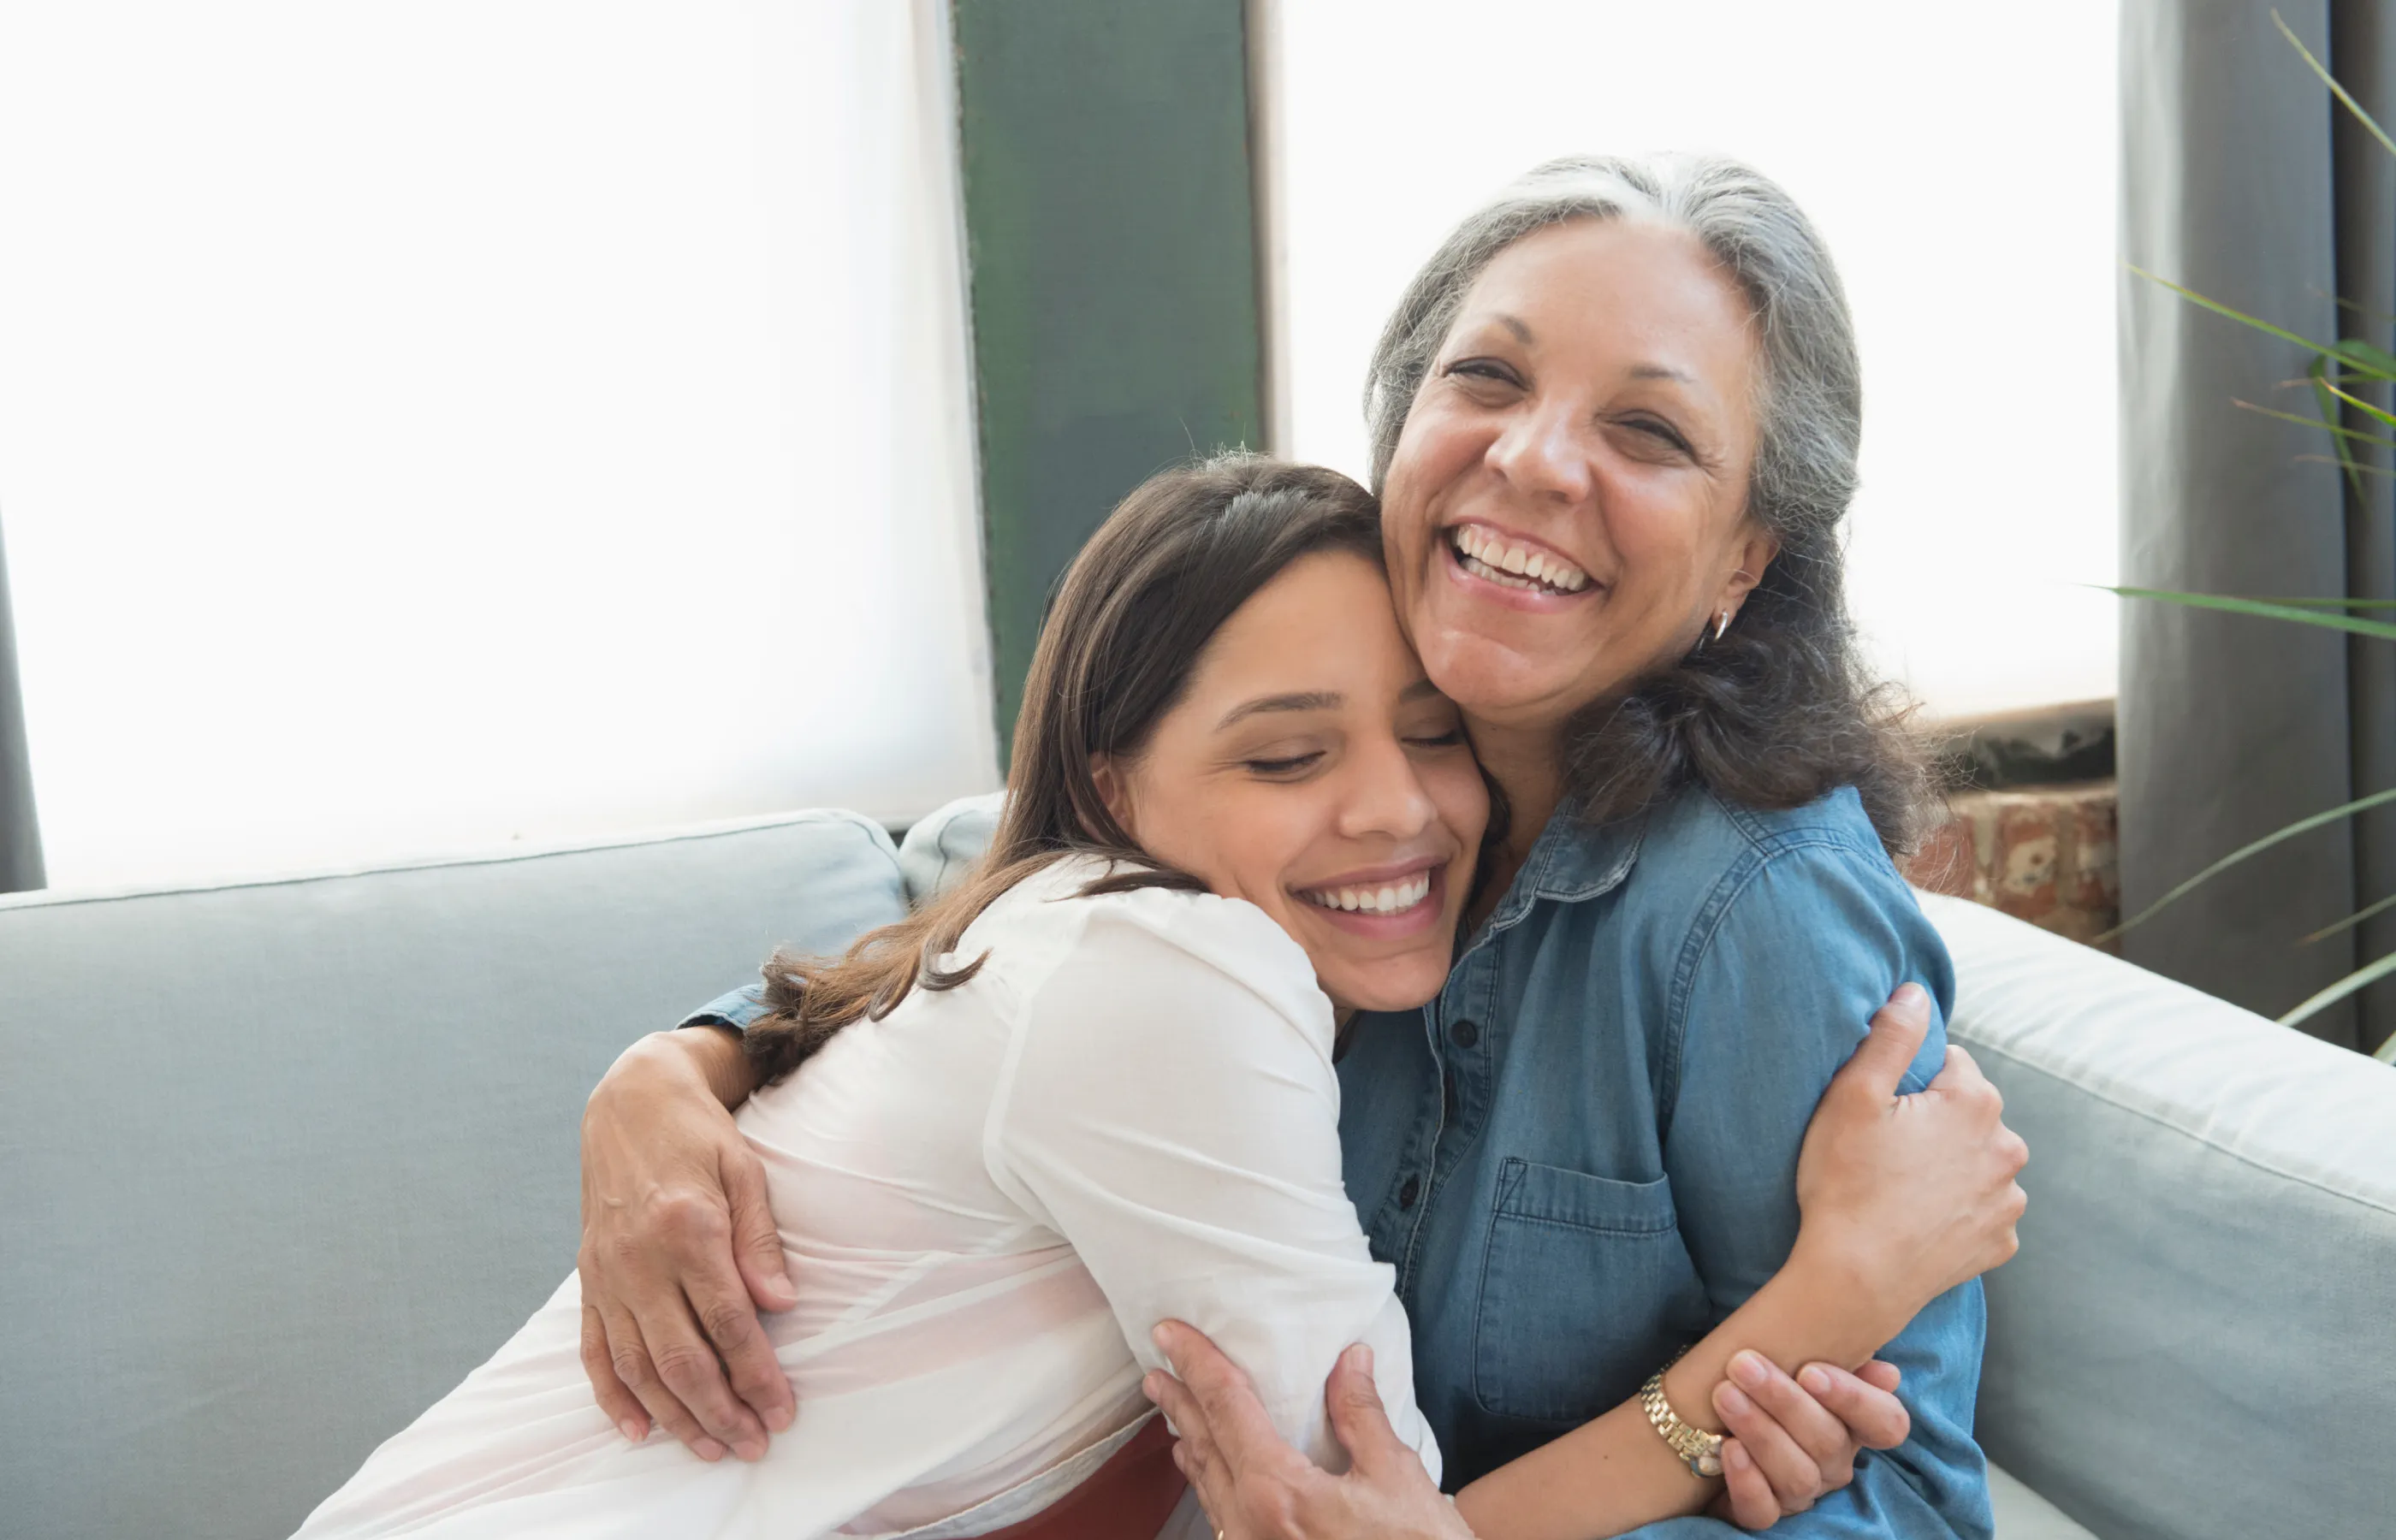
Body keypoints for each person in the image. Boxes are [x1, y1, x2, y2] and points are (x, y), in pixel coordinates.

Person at [577, 154, 2028, 1539]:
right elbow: (1010, 913)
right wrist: (673, 1072)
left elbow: (1906, 1506)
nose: (1532, 458)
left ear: (1746, 558)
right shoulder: (1340, 740)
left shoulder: (1754, 909)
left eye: (1647, 431)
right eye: (1488, 377)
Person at [293, 458, 2012, 1540]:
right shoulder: (1170, 972)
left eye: (1433, 735)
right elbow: (1356, 1513)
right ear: (1114, 784)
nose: (1393, 811)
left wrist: (673, 1059)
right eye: (1283, 757)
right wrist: (1831, 1287)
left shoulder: (1099, 946)